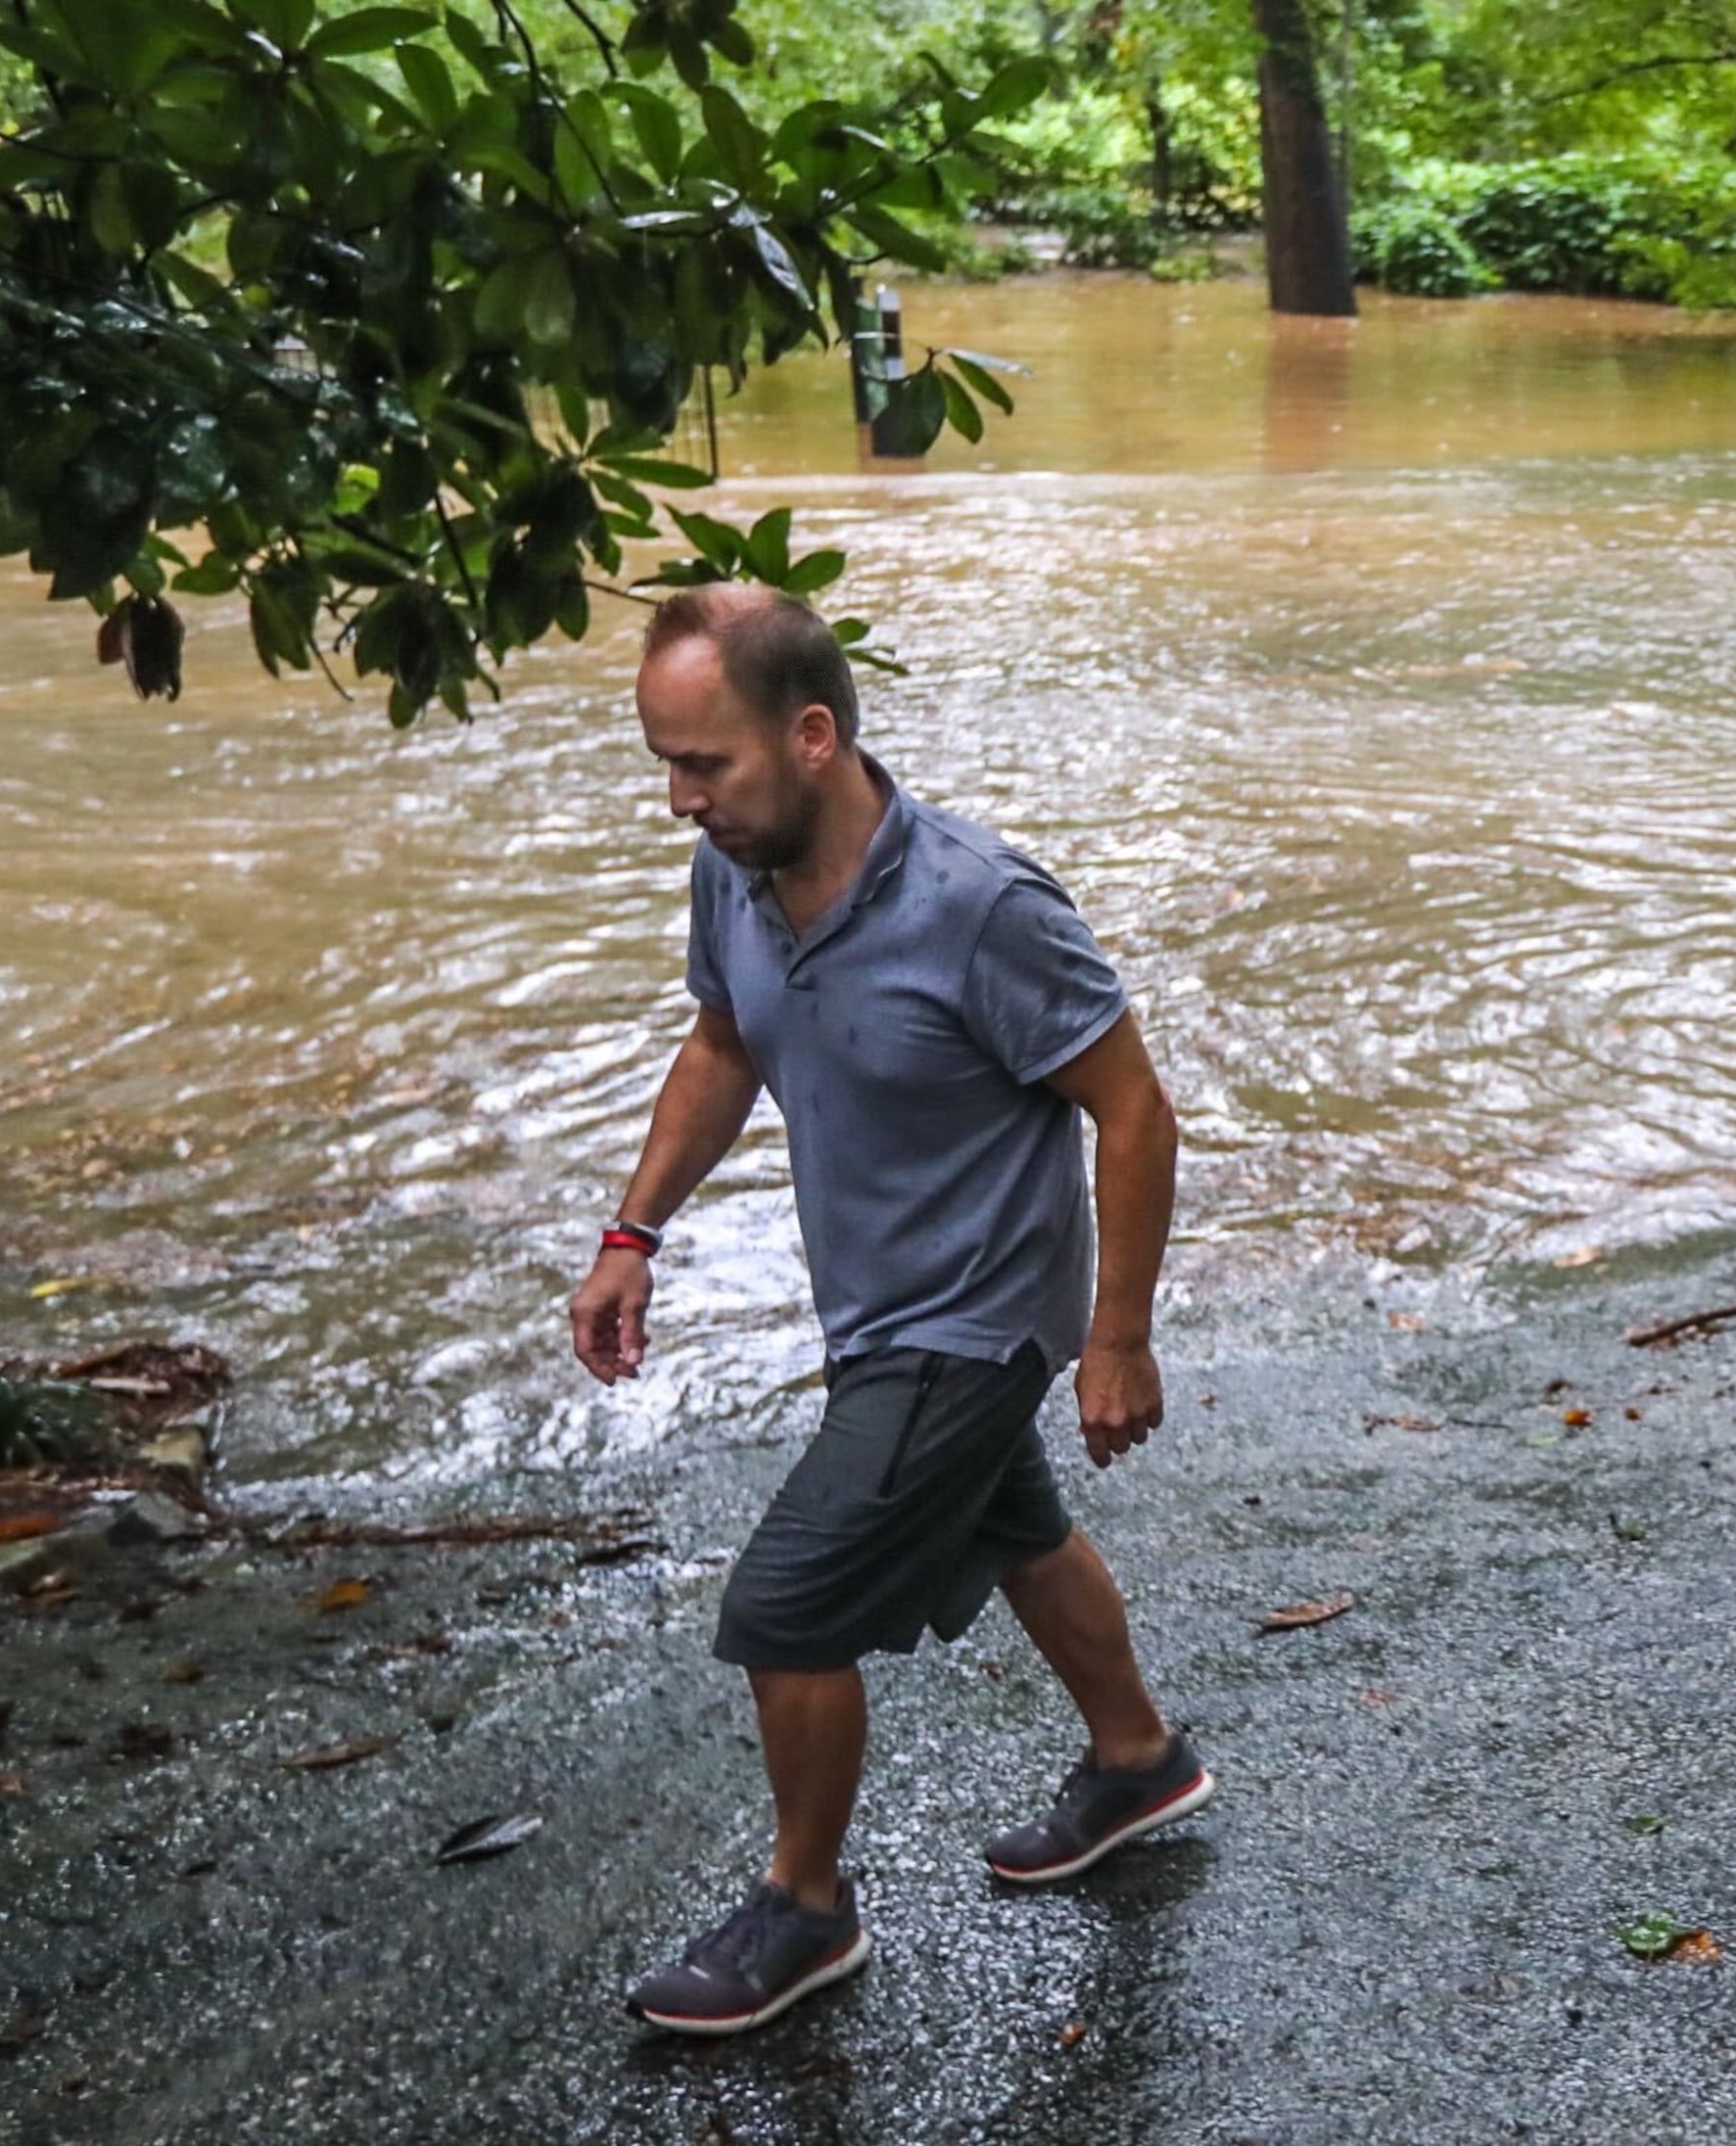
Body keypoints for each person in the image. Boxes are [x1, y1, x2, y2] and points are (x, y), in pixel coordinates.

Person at [570, 584, 1212, 2037]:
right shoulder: (736, 869)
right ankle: (1138, 1759)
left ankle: (805, 1909)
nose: (680, 801)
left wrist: (1118, 1336)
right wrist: (632, 1235)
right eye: (664, 764)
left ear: (809, 737)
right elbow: (726, 1041)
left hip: (969, 1320)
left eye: (703, 764)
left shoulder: (980, 908)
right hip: (874, 1305)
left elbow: (1132, 1108)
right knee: (1014, 1526)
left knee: (787, 1609)